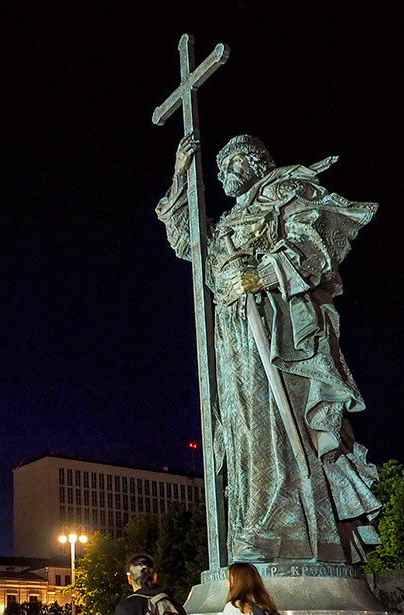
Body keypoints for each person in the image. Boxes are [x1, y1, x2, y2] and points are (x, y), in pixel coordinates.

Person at [157, 133, 380, 565]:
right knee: (243, 427)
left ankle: (285, 529)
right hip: (234, 336)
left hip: (278, 332)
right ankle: (253, 524)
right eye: (218, 170)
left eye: (231, 166)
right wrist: (181, 175)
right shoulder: (225, 224)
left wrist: (261, 275)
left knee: (278, 424)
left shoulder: (283, 192)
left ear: (255, 163)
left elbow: (314, 246)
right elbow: (187, 241)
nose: (223, 176)